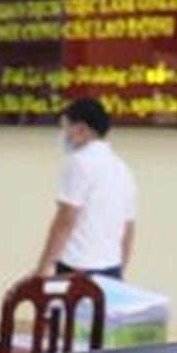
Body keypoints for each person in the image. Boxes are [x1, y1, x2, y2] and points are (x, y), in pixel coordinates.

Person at [34, 97, 136, 281]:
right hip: (112, 269)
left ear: (81, 129)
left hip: (76, 270)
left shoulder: (79, 163)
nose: (64, 135)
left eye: (66, 127)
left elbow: (65, 220)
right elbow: (128, 228)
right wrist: (120, 273)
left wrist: (42, 269)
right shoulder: (122, 168)